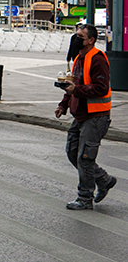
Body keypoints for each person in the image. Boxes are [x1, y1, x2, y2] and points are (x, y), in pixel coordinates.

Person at [55, 24, 117, 210]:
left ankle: (84, 198)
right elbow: (73, 84)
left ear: (91, 40)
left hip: (96, 116)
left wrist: (77, 90)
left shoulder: (97, 59)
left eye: (80, 36)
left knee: (85, 158)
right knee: (73, 152)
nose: (76, 38)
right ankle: (104, 180)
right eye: (76, 35)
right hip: (81, 114)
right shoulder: (79, 58)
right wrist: (64, 103)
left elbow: (101, 88)